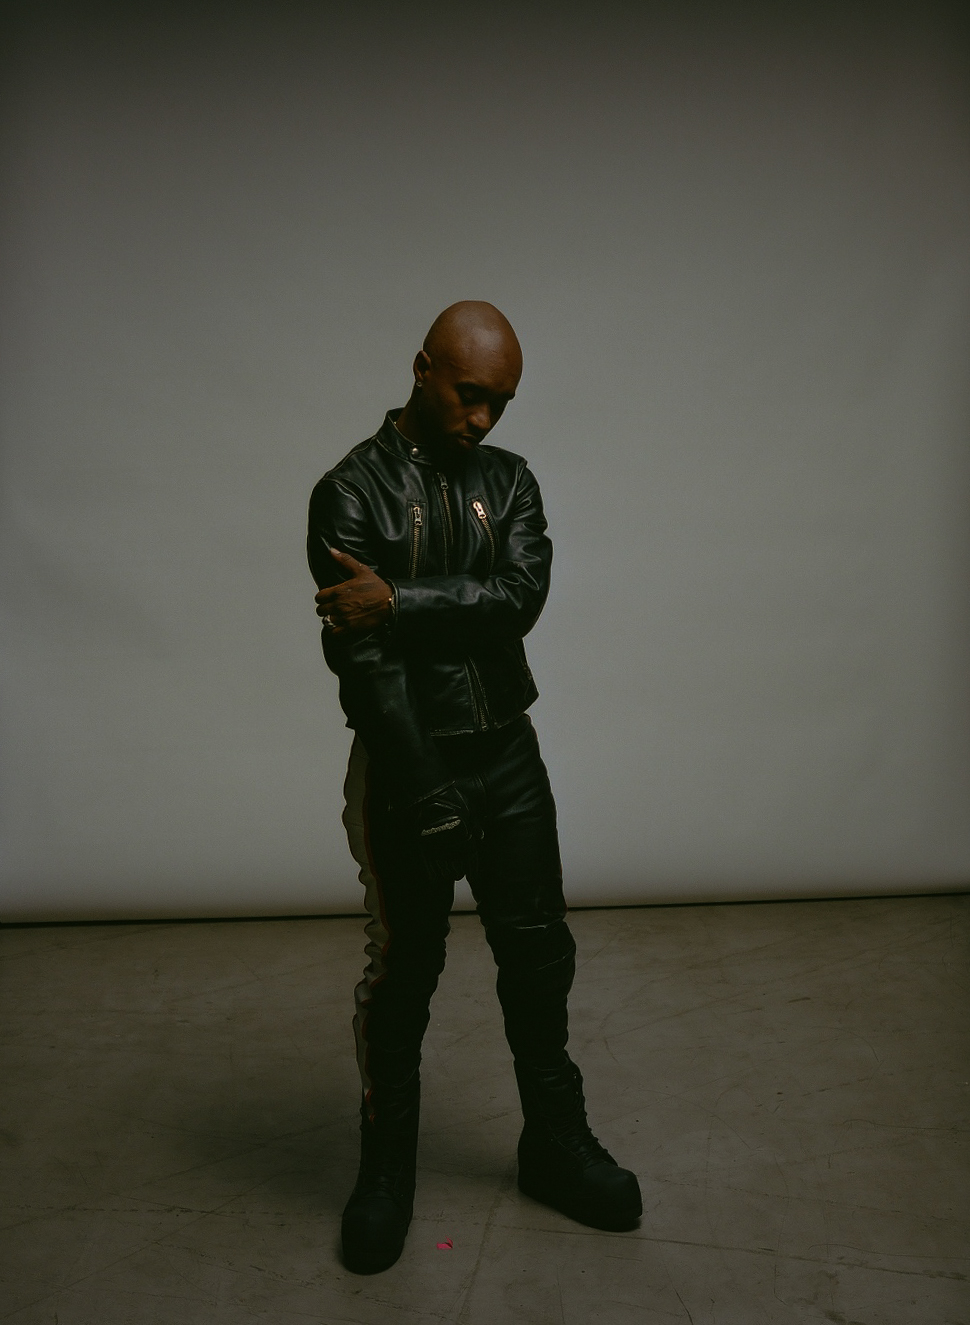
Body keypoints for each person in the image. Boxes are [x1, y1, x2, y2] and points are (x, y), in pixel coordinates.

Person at [307, 301, 641, 1275]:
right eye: (469, 394)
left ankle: (555, 1143)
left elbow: (517, 602)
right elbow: (366, 669)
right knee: (404, 968)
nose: (484, 418)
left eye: (501, 401)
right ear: (421, 369)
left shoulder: (511, 481)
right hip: (405, 759)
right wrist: (424, 789)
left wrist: (397, 599)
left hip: (508, 757)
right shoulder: (349, 492)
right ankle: (386, 1171)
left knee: (540, 954)